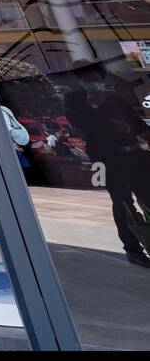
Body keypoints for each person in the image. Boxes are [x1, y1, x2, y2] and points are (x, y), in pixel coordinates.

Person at [64, 61, 150, 269]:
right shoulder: (74, 99)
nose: (91, 83)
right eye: (86, 80)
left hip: (133, 155)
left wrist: (128, 128)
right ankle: (133, 250)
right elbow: (76, 122)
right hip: (105, 159)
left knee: (147, 196)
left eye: (95, 79)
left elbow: (137, 124)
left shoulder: (116, 97)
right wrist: (92, 105)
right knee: (122, 202)